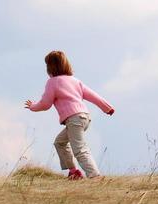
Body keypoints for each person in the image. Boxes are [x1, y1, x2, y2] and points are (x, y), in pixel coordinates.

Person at [25, 50, 115, 180]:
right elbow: (92, 95)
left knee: (79, 149)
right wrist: (107, 108)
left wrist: (33, 106)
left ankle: (95, 176)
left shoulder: (53, 82)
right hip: (84, 117)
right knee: (60, 142)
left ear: (50, 67)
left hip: (74, 119)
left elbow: (45, 104)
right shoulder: (74, 81)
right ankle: (74, 172)